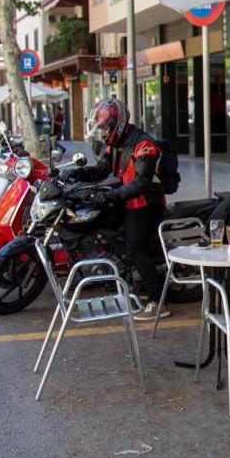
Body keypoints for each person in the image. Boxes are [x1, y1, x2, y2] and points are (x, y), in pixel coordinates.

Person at [66, 97, 168, 321]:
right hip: (126, 199)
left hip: (144, 203)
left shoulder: (143, 144)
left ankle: (157, 301)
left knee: (135, 249)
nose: (102, 133)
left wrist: (110, 195)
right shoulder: (115, 144)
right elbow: (103, 168)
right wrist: (76, 174)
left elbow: (142, 182)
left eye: (104, 127)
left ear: (117, 123)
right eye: (101, 128)